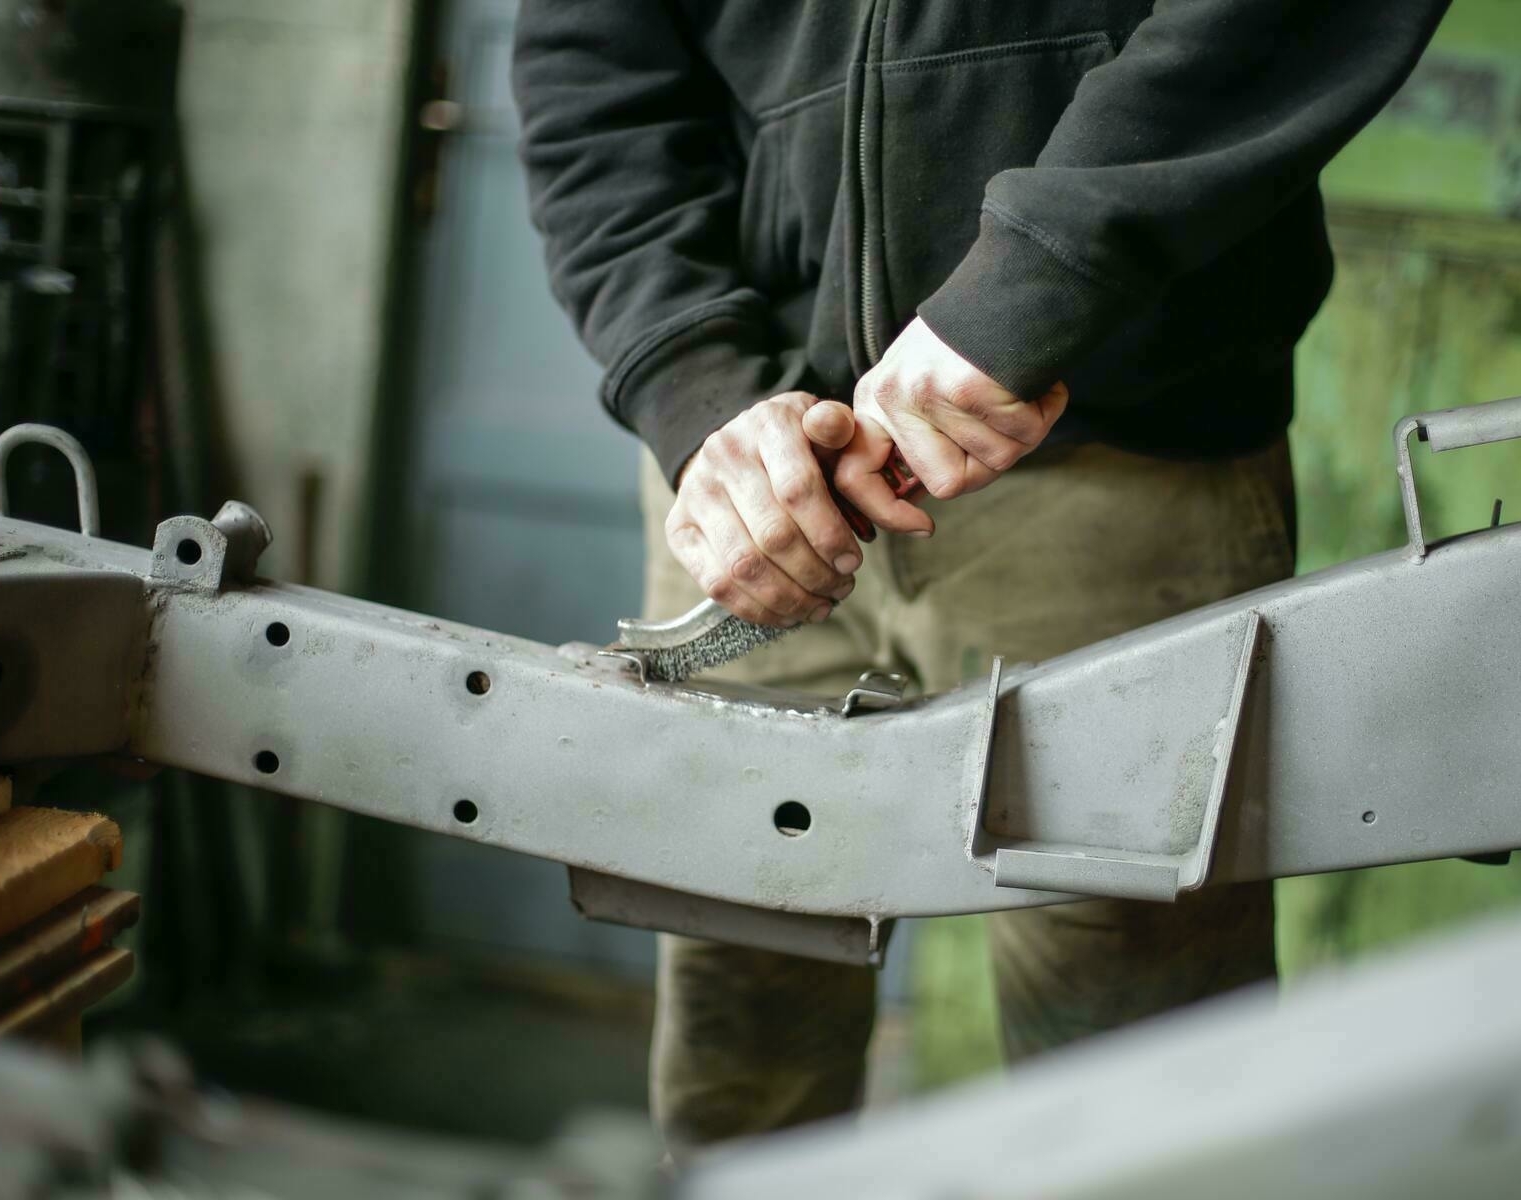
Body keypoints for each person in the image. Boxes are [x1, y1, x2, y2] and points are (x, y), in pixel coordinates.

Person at [513, 0, 1450, 1153]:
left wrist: (1037, 278)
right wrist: (694, 384)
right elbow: (593, 69)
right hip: (755, 477)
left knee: (1140, 1057)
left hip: (1124, 452)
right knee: (738, 1016)